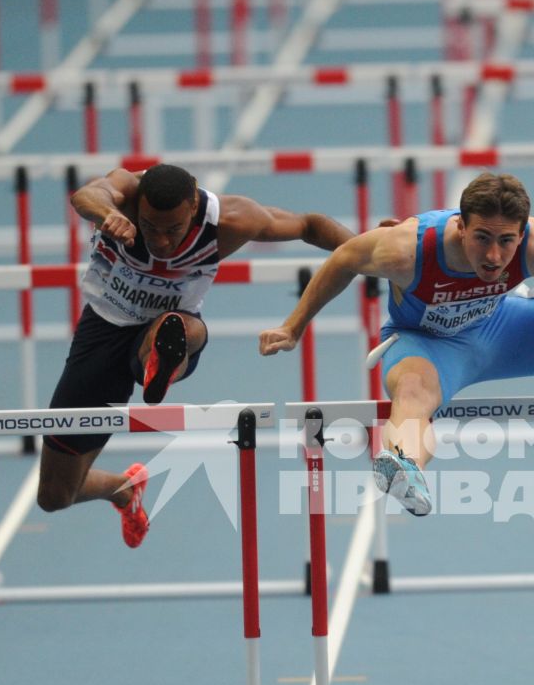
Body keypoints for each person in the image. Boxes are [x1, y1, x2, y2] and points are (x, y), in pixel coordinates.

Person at [258, 172, 534, 516]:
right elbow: (343, 259)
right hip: (426, 347)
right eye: (482, 239)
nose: (494, 256)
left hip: (504, 329)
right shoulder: (406, 249)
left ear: (523, 231)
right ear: (460, 226)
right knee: (412, 397)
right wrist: (294, 326)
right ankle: (402, 463)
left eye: (507, 241)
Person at [40, 162, 355, 547]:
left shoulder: (232, 219)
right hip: (102, 331)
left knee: (177, 328)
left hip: (173, 330)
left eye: (172, 229)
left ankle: (162, 362)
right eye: (150, 226)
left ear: (193, 206)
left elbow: (308, 225)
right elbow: (86, 194)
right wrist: (109, 214)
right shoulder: (125, 192)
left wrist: (371, 246)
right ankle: (123, 486)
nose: (160, 240)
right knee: (55, 496)